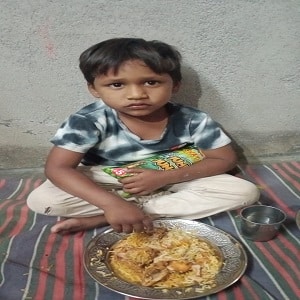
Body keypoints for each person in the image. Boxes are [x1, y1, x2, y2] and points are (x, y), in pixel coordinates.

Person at [27, 37, 259, 234]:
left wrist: (163, 178)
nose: (137, 94)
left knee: (245, 192)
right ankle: (124, 209)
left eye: (151, 82)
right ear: (94, 89)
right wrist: (110, 202)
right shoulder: (87, 121)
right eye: (117, 84)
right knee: (42, 200)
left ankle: (113, 216)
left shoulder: (192, 119)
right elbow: (58, 168)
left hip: (174, 174)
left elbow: (224, 159)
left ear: (174, 85)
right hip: (110, 178)